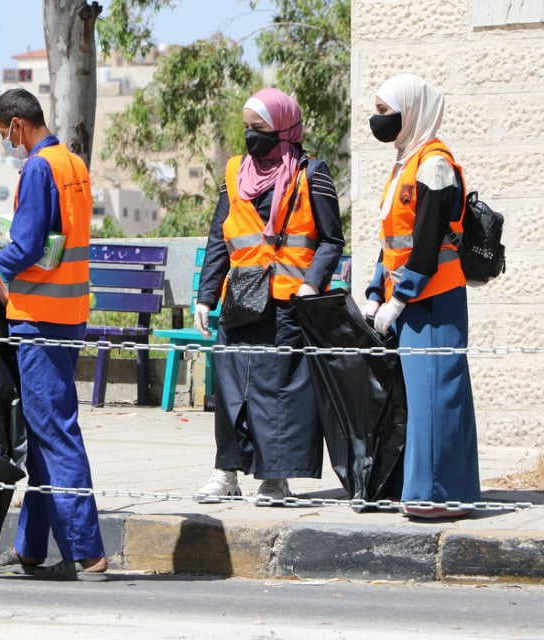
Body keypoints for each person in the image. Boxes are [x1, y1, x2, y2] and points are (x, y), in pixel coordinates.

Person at [0, 88, 108, 580]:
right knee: (42, 434)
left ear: (18, 126)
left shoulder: (38, 169)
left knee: (54, 431)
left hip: (40, 318)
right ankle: (30, 548)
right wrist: (0, 227)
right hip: (67, 313)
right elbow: (55, 239)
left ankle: (88, 551)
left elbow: (27, 249)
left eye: (5, 135)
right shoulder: (73, 165)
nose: (8, 144)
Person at [193, 88, 345, 503]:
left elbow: (332, 239)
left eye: (260, 128)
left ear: (284, 128)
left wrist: (312, 283)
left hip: (288, 301)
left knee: (280, 391)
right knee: (230, 389)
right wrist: (205, 296)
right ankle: (226, 473)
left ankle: (275, 479)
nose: (251, 136)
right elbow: (218, 239)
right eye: (247, 128)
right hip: (240, 299)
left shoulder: (312, 173)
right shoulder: (232, 173)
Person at [363, 73, 481, 518]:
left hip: (434, 299)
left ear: (410, 111)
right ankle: (432, 488)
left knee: (437, 394)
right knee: (423, 396)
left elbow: (428, 244)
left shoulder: (434, 164)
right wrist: (377, 289)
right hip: (413, 298)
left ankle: (438, 495)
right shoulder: (405, 162)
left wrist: (399, 298)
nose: (378, 120)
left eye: (384, 111)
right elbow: (392, 238)